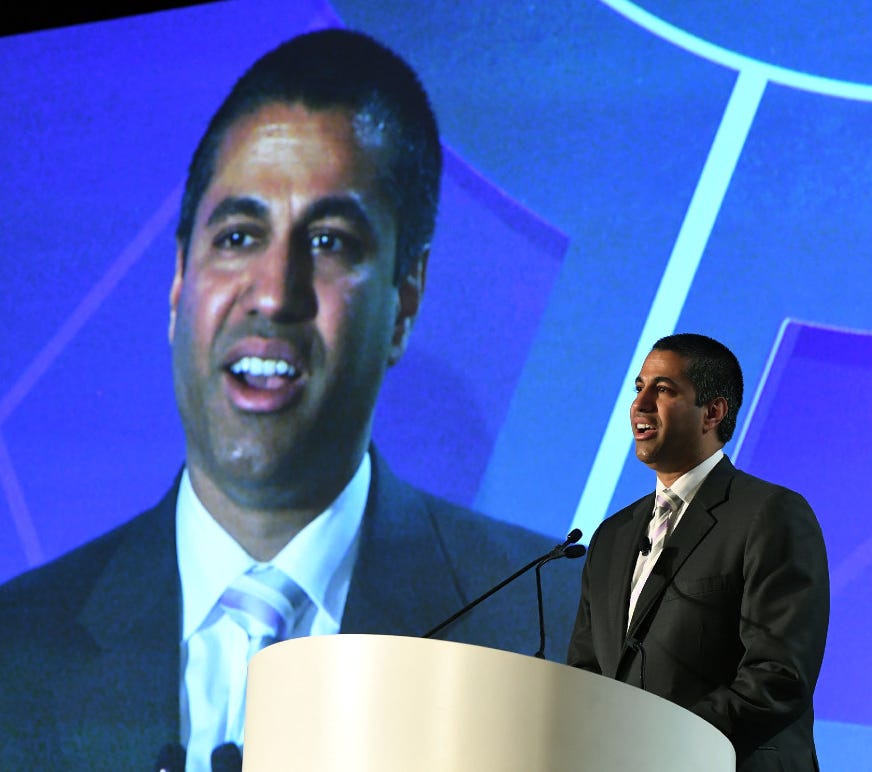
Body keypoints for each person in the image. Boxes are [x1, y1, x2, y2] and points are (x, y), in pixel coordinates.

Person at [0, 29, 580, 770]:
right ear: (179, 281)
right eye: (239, 237)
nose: (274, 295)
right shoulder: (16, 655)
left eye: (329, 242)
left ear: (406, 298)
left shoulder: (556, 632)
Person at [568, 333, 830, 771]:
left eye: (663, 390)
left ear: (713, 412)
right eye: (639, 388)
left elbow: (779, 676)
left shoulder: (770, 514)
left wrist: (665, 744)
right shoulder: (612, 536)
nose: (640, 405)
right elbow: (586, 673)